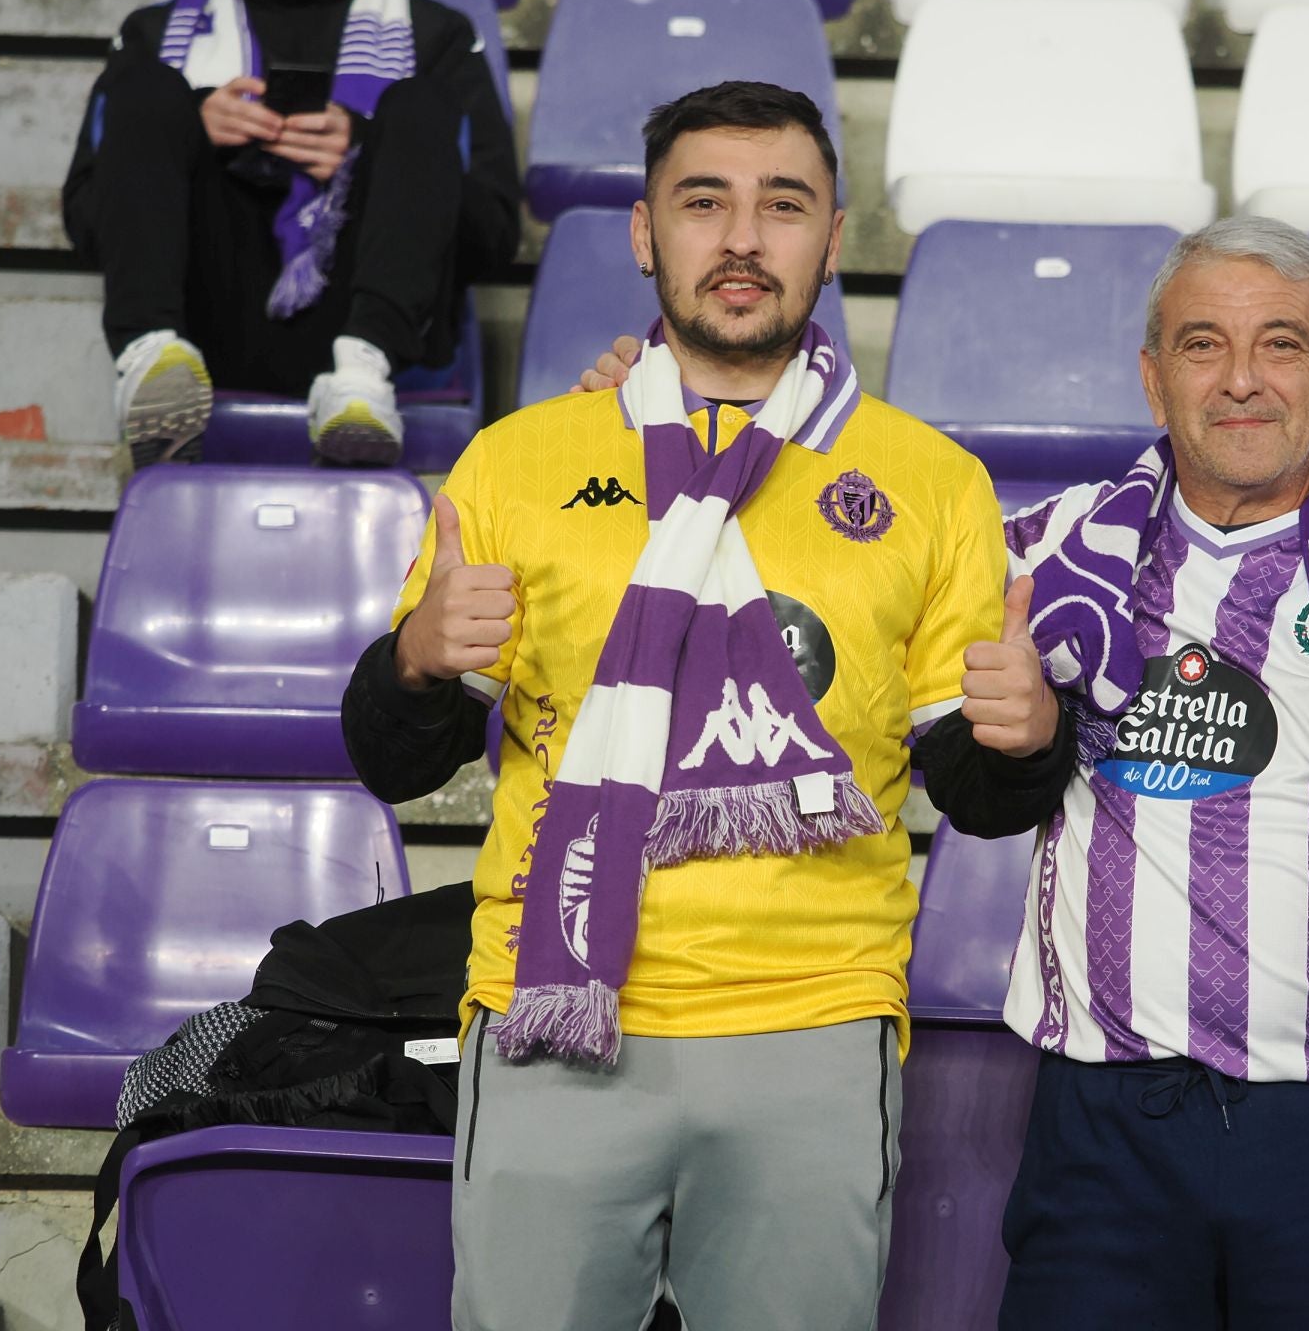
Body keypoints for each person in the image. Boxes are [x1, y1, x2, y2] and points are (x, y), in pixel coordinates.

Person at [583, 213, 1309, 1330]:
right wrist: (663, 429)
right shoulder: (1050, 550)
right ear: (1152, 378)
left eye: (1284, 345)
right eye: (1204, 345)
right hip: (1108, 1136)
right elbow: (824, 568)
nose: (1244, 380)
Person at [340, 80, 1062, 1331]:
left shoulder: (931, 481)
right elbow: (398, 762)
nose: (742, 239)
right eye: (703, 203)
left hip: (814, 1023)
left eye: (783, 206)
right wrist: (412, 659)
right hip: (554, 1013)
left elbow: (983, 793)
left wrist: (1029, 738)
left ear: (834, 242)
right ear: (642, 234)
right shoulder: (520, 460)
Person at [62, 0, 520, 467]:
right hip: (205, 323)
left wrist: (370, 153)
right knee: (152, 92)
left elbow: (497, 236)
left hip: (376, 333)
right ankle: (154, 358)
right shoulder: (154, 36)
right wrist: (187, 129)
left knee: (418, 104)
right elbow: (85, 222)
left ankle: (360, 374)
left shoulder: (437, 35)